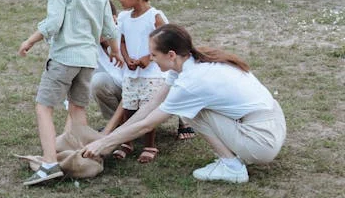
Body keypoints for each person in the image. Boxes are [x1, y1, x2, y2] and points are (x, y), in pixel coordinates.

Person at [82, 24, 286, 183]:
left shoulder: (190, 82)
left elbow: (147, 124)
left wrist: (103, 144)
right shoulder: (189, 62)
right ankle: (233, 159)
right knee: (192, 108)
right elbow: (152, 104)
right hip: (272, 124)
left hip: (262, 141)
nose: (151, 59)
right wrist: (108, 137)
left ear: (171, 55)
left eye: (154, 55)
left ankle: (232, 167)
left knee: (192, 112)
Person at [18, 0, 122, 186]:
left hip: (64, 58)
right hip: (88, 62)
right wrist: (116, 51)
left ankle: (49, 163)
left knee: (44, 107)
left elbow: (53, 24)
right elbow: (110, 29)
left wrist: (30, 40)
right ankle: (82, 158)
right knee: (77, 109)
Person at [111, 0, 168, 163]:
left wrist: (148, 58)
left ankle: (149, 144)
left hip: (151, 75)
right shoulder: (125, 18)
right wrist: (126, 59)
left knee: (147, 109)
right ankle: (127, 141)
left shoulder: (154, 17)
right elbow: (123, 41)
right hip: (131, 74)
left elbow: (165, 43)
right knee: (128, 107)